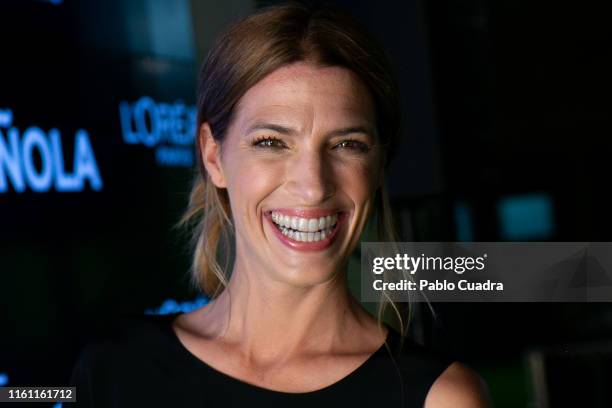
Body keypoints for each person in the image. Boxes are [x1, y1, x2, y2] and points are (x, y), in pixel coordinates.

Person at [70, 4, 490, 407]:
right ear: (213, 156)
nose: (312, 187)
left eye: (347, 144)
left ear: (379, 163)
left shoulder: (442, 399)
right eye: (271, 143)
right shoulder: (114, 371)